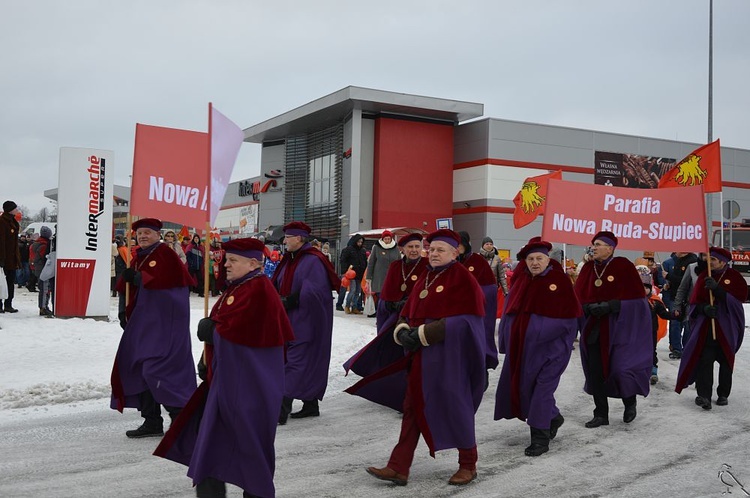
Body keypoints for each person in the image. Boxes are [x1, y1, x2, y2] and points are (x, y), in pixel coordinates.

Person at [154, 238, 294, 498]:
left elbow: (246, 340)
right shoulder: (240, 287)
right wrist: (208, 356)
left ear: (254, 263)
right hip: (227, 385)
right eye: (226, 259)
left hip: (247, 391)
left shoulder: (259, 290)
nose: (225, 264)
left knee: (248, 453)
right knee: (210, 451)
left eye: (232, 260)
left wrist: (214, 331)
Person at [349, 229, 486, 486]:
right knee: (412, 409)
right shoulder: (426, 275)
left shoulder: (463, 279)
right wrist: (402, 330)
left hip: (448, 359)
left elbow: (466, 321)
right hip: (420, 358)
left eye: (440, 250)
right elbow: (409, 307)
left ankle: (468, 464)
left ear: (455, 253)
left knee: (456, 408)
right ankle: (398, 467)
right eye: (431, 249)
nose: (433, 254)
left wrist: (424, 333)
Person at [110, 217, 197, 438]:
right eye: (139, 233)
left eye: (147, 232)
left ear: (158, 234)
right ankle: (152, 422)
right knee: (141, 369)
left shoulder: (166, 255)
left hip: (163, 327)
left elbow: (172, 292)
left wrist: (141, 279)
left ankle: (180, 418)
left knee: (156, 370)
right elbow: (126, 288)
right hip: (142, 325)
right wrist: (123, 311)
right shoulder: (137, 256)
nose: (143, 236)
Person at [494, 237, 580, 456]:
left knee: (542, 390)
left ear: (547, 259)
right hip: (523, 349)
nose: (535, 262)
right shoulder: (521, 281)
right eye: (531, 259)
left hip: (552, 350)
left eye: (539, 258)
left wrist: (543, 333)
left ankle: (540, 439)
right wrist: (506, 338)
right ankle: (553, 417)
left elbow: (570, 319)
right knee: (528, 388)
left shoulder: (559, 281)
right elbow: (509, 313)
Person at [574, 231, 651, 428]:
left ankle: (629, 402)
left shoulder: (623, 266)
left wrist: (613, 306)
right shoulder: (588, 269)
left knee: (620, 369)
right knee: (596, 372)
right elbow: (577, 298)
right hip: (594, 327)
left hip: (619, 327)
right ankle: (601, 414)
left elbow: (637, 301)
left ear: (610, 247)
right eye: (593, 244)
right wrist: (586, 308)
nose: (594, 247)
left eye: (598, 244)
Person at [272, 221, 339, 424]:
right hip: (289, 319)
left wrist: (292, 299)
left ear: (299, 238)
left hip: (306, 321)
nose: (285, 241)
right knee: (300, 361)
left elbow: (316, 291)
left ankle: (280, 411)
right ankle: (311, 405)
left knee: (295, 363)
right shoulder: (290, 259)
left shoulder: (313, 260)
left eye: (288, 237)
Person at [343, 233, 428, 377]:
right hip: (395, 310)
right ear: (403, 249)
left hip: (417, 312)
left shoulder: (427, 265)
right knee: (386, 341)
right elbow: (388, 291)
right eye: (410, 247)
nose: (414, 250)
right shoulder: (396, 266)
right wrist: (391, 304)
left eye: (417, 246)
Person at [675, 247, 746, 410]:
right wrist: (703, 309)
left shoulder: (734, 277)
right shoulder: (703, 276)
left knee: (726, 363)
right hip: (707, 328)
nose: (709, 261)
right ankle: (704, 396)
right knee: (704, 361)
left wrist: (718, 290)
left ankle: (723, 394)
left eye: (713, 259)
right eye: (709, 258)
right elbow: (694, 303)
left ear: (722, 261)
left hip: (727, 329)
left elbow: (738, 301)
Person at [457, 231, 499, 377]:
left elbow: (490, 288)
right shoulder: (452, 261)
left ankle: (481, 369)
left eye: (460, 244)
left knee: (478, 337)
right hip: (456, 312)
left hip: (476, 310)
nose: (457, 248)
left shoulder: (478, 261)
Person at [663, 252, 698, 359]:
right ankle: (676, 348)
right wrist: (668, 283)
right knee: (675, 323)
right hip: (675, 296)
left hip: (688, 299)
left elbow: (683, 282)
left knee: (688, 324)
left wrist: (669, 276)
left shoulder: (692, 263)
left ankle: (686, 348)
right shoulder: (676, 261)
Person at [639, 268, 671, 385]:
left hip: (651, 331)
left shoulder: (654, 302)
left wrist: (675, 315)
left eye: (647, 287)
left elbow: (663, 314)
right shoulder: (634, 302)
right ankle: (639, 371)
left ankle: (653, 372)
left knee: (651, 351)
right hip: (637, 332)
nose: (644, 290)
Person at [365, 230, 401, 317]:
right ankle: (380, 315)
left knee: (390, 297)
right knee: (381, 297)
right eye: (385, 239)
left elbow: (400, 262)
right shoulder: (376, 248)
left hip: (393, 277)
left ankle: (389, 315)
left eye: (389, 239)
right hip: (379, 277)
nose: (387, 240)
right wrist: (368, 277)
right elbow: (371, 263)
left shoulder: (395, 248)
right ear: (382, 239)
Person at [0, 201, 21, 313]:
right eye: (15, 208)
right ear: (10, 209)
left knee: (10, 283)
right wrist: (1, 259)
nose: (17, 210)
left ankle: (8, 304)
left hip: (12, 259)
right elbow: (1, 242)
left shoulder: (13, 222)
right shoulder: (2, 222)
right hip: (4, 259)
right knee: (1, 282)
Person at [339, 234, 368, 314]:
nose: (360, 243)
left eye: (361, 242)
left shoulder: (362, 251)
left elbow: (364, 262)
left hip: (359, 274)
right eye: (358, 242)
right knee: (353, 290)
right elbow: (343, 261)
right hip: (351, 273)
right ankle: (348, 306)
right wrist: (344, 272)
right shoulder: (349, 250)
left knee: (358, 291)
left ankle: (354, 307)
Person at [31, 226, 53, 316]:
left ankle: (43, 306)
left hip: (38, 269)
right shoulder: (44, 244)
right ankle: (43, 308)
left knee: (44, 289)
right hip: (43, 269)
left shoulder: (37, 243)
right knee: (44, 289)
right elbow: (44, 258)